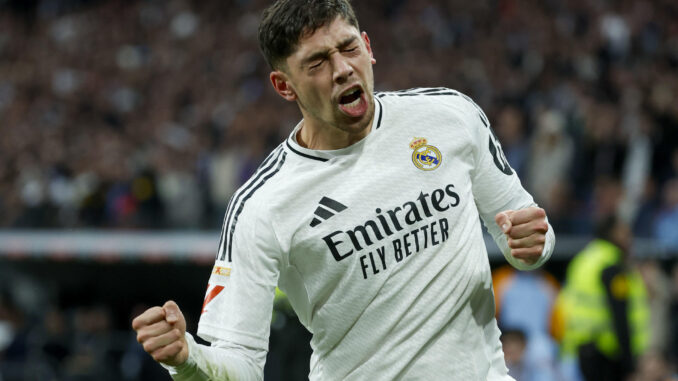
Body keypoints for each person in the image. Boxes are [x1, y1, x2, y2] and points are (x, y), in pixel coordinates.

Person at [131, 1, 555, 380]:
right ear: (284, 86)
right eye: (316, 63)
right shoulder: (263, 205)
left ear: (368, 46)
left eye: (349, 48)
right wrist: (186, 359)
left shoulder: (450, 117)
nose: (342, 69)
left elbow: (524, 229)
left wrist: (535, 244)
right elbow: (239, 361)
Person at [557, 215, 650, 381]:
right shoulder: (611, 264)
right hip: (606, 352)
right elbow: (620, 313)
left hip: (581, 347)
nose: (629, 238)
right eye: (625, 233)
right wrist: (629, 364)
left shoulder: (583, 259)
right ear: (613, 233)